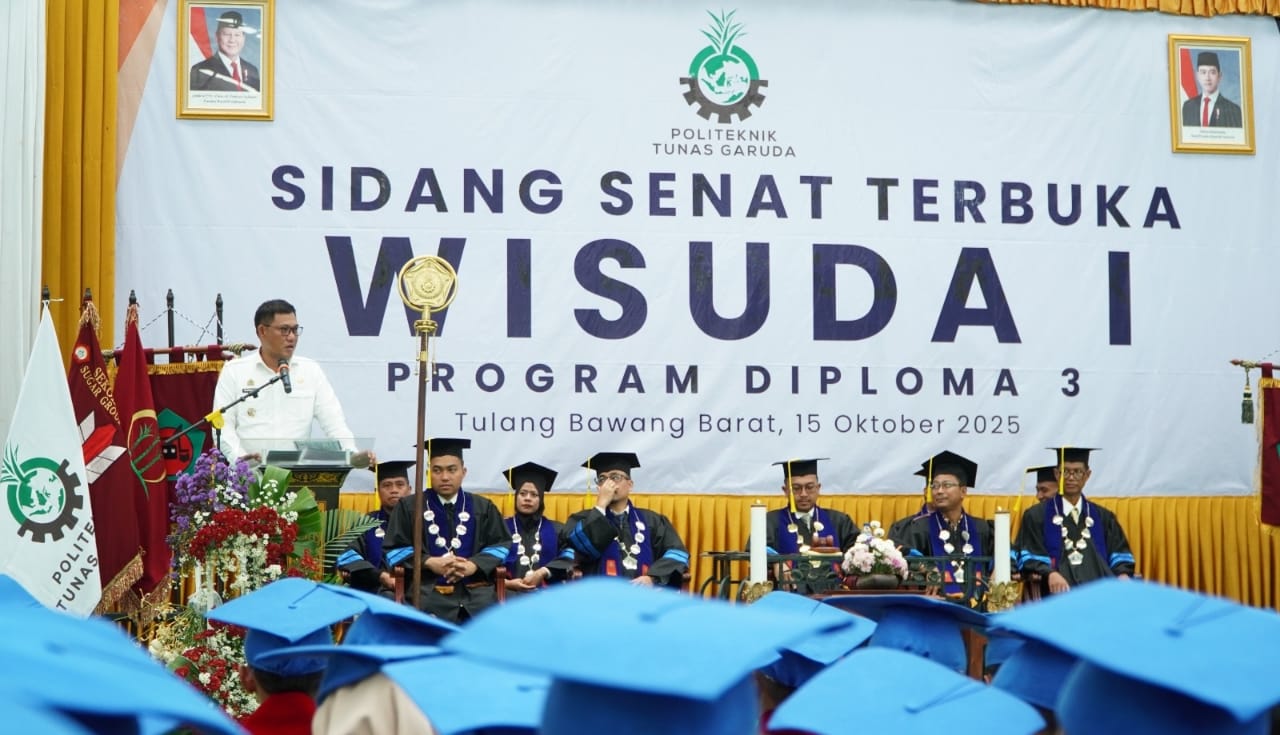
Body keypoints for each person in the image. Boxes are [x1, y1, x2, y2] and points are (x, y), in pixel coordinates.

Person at [212, 299, 373, 467]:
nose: (291, 337)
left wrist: (351, 454)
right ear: (262, 331)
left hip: (297, 477)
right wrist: (241, 461)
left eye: (295, 330)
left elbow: (334, 422)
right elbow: (222, 427)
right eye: (284, 330)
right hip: (247, 478)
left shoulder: (310, 371)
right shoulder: (235, 371)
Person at [383, 437, 509, 622]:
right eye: (437, 470)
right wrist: (427, 562)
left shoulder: (483, 507)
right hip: (427, 594)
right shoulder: (410, 507)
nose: (445, 477)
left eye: (452, 470)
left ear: (463, 472)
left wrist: (473, 565)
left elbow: (501, 544)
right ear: (428, 472)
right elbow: (393, 549)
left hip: (475, 594)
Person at [1014, 447, 1135, 595]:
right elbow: (1030, 556)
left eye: (1077, 472)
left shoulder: (1103, 517)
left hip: (1099, 596)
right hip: (1056, 597)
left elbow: (1120, 555)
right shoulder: (1036, 516)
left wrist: (1122, 574)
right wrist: (1050, 573)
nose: (1071, 478)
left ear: (1087, 475)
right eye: (1065, 471)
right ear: (1057, 474)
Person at [560, 452, 690, 587]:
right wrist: (601, 505)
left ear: (630, 485)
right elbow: (579, 551)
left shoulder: (652, 521)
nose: (608, 483)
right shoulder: (582, 519)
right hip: (599, 600)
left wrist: (652, 578)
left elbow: (677, 553)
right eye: (602, 479)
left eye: (615, 477)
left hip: (643, 598)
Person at [896, 450, 994, 600]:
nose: (939, 491)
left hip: (979, 606)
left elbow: (1006, 556)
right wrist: (928, 569)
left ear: (963, 491)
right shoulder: (917, 528)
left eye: (946, 485)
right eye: (935, 486)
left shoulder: (983, 528)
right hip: (934, 608)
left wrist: (998, 572)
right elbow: (902, 555)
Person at [761, 457, 857, 594]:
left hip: (833, 596)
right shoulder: (771, 521)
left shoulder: (839, 520)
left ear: (819, 488)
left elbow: (857, 550)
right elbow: (756, 548)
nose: (804, 494)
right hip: (789, 596)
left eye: (810, 487)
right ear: (785, 490)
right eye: (796, 488)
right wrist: (777, 562)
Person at [335, 460, 411, 595]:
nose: (394, 490)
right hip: (373, 594)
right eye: (387, 485)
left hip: (416, 597)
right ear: (378, 491)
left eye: (400, 485)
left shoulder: (421, 522)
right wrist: (380, 576)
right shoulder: (366, 522)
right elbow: (347, 555)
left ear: (409, 490)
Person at [501, 461, 575, 595]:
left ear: (541, 499)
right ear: (516, 496)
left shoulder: (558, 529)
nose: (527, 498)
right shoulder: (501, 528)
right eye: (523, 493)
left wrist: (544, 571)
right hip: (508, 598)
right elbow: (488, 565)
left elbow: (570, 556)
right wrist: (506, 584)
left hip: (548, 598)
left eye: (534, 495)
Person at [190, 11, 261, 92]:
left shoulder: (252, 71)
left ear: (244, 38)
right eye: (227, 34)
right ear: (217, 36)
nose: (232, 40)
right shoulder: (200, 70)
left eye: (237, 35)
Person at [1181, 51, 1243, 128]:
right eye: (1203, 72)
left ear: (1219, 76)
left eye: (1212, 72)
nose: (1207, 78)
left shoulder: (1233, 110)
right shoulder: (1188, 107)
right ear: (1197, 76)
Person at [886, 461, 937, 545]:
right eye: (935, 486)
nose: (941, 491)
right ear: (926, 491)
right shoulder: (903, 528)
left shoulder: (964, 526)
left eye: (948, 486)